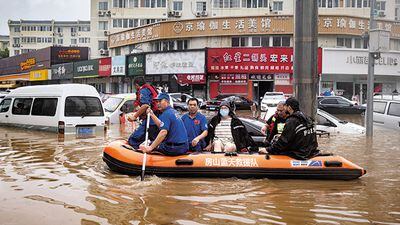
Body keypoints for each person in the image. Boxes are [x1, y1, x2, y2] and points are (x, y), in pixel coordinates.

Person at [127, 77, 160, 149]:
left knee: (133, 139)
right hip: (155, 119)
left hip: (150, 119)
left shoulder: (143, 91)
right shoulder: (149, 89)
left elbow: (145, 105)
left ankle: (136, 155)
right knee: (152, 138)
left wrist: (134, 116)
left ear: (136, 85)